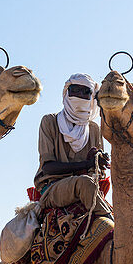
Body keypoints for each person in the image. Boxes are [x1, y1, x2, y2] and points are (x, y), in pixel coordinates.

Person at [33, 73, 110, 216]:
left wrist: (99, 163)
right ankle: (111, 225)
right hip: (53, 188)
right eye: (75, 90)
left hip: (87, 188)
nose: (79, 95)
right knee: (85, 183)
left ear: (92, 97)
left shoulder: (93, 129)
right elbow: (48, 168)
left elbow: (99, 173)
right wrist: (86, 165)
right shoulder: (49, 122)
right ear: (66, 92)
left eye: (86, 92)